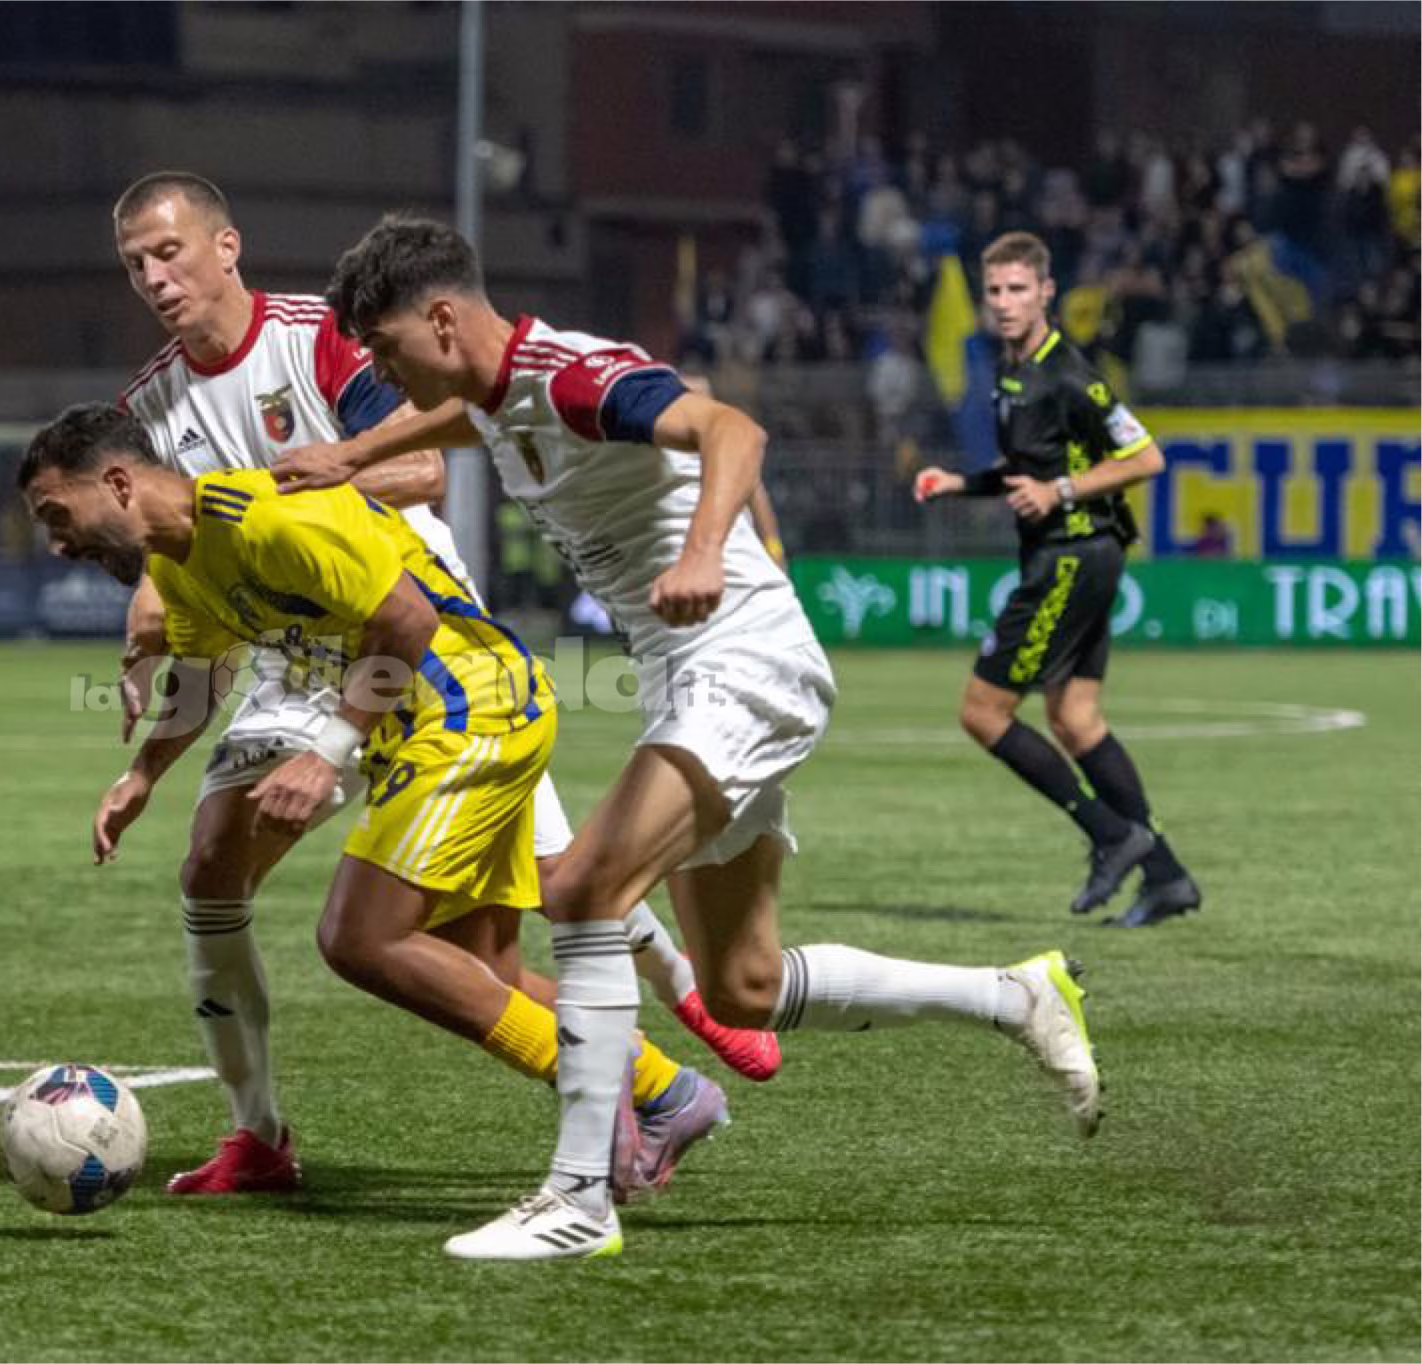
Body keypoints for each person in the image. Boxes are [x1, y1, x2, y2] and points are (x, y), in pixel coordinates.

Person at [274, 215, 1105, 1261]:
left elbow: (733, 430)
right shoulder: (495, 391)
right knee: (741, 985)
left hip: (740, 661)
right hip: (694, 676)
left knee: (584, 889)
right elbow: (465, 420)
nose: (385, 375)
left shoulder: (572, 377)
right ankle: (1014, 995)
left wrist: (707, 548)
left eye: (387, 350)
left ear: (442, 320)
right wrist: (351, 453)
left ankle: (579, 1199)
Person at [104, 173, 773, 1196]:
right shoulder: (145, 407)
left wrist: (267, 502)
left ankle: (685, 997)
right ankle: (259, 1134)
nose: (154, 278)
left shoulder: (320, 339)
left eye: (169, 253)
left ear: (225, 247)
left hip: (416, 630)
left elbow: (421, 474)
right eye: (135, 265)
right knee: (210, 870)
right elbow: (165, 529)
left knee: (543, 896)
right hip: (293, 659)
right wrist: (152, 599)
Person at [20, 405, 716, 1256]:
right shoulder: (184, 561)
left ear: (118, 483)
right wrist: (142, 777)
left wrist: (326, 753)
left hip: (471, 708)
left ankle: (595, 1095)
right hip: (429, 728)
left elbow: (409, 622)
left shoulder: (267, 516)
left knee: (358, 938)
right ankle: (669, 1093)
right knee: (483, 968)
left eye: (57, 515)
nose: (59, 545)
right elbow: (201, 675)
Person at [913, 230, 1201, 929]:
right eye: (994, 291)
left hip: (1073, 555)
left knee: (983, 713)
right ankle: (1167, 877)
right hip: (1074, 553)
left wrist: (1061, 492)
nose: (1004, 302)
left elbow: (1146, 457)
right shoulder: (1010, 369)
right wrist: (961, 483)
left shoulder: (1070, 374)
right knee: (1075, 719)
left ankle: (1110, 834)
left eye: (1018, 289)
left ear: (1046, 292)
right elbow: (1027, 473)